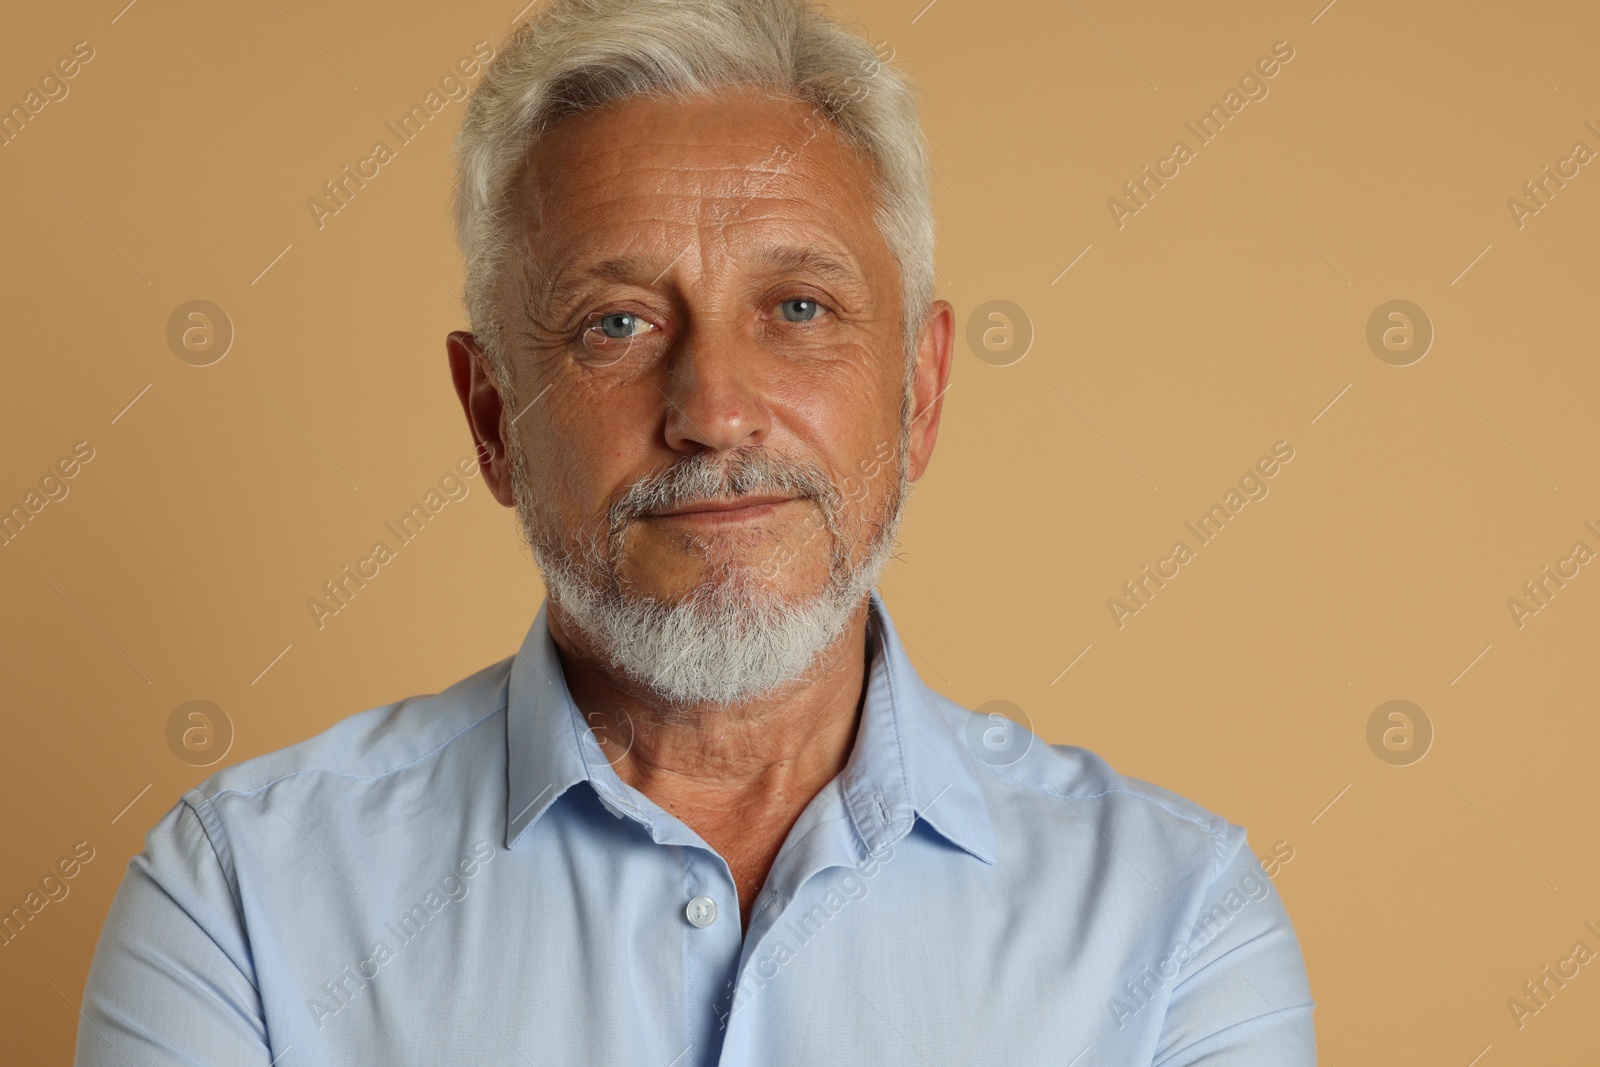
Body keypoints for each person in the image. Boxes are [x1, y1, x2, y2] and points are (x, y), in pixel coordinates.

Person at [76, 1, 1315, 1063]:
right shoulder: (236, 901)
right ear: (493, 414)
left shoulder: (1175, 922)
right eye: (613, 323)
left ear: (921, 389)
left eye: (797, 304)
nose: (713, 409)